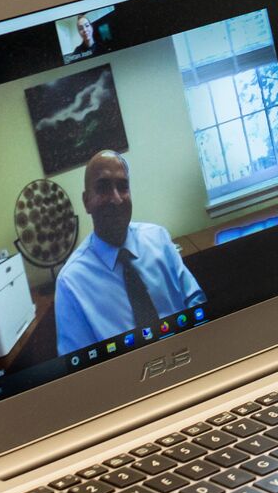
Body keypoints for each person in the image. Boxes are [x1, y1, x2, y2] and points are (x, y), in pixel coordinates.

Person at [54, 150, 204, 354]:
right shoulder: (71, 283)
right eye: (103, 188)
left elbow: (195, 299)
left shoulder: (158, 239)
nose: (116, 199)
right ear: (86, 201)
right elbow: (79, 367)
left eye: (123, 187)